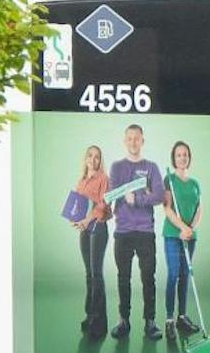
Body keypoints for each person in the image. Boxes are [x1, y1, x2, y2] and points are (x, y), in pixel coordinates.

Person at [108, 124, 165, 340]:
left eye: (137, 138)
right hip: (122, 232)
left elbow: (159, 195)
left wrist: (139, 198)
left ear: (143, 141)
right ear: (125, 141)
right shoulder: (116, 167)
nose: (133, 142)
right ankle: (124, 320)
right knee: (123, 278)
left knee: (148, 278)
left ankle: (150, 322)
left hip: (145, 232)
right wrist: (136, 192)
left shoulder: (151, 167)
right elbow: (113, 193)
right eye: (129, 138)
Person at [162, 140, 203, 340]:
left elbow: (200, 210)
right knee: (173, 274)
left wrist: (191, 228)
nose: (182, 158)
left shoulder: (195, 183)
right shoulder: (168, 179)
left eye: (185, 154)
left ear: (189, 157)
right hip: (172, 234)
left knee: (185, 275)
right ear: (174, 158)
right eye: (178, 155)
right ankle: (169, 320)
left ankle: (182, 317)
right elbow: (167, 208)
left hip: (190, 236)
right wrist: (182, 227)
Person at [70, 145, 111, 338]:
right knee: (89, 274)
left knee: (96, 274)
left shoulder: (104, 178)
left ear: (100, 160)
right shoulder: (81, 181)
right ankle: (90, 315)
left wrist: (86, 220)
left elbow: (103, 204)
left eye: (97, 157)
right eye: (90, 156)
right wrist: (74, 217)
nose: (93, 160)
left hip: (98, 228)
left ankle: (99, 322)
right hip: (85, 230)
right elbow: (78, 205)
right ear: (85, 159)